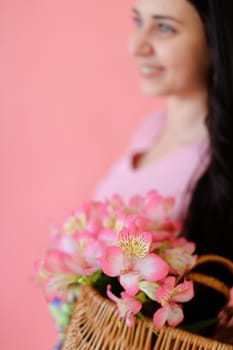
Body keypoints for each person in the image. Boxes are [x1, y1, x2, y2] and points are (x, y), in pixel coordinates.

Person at [93, 0, 233, 338]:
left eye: (164, 27)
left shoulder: (217, 170)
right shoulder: (150, 128)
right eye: (138, 21)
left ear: (215, 43)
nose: (136, 45)